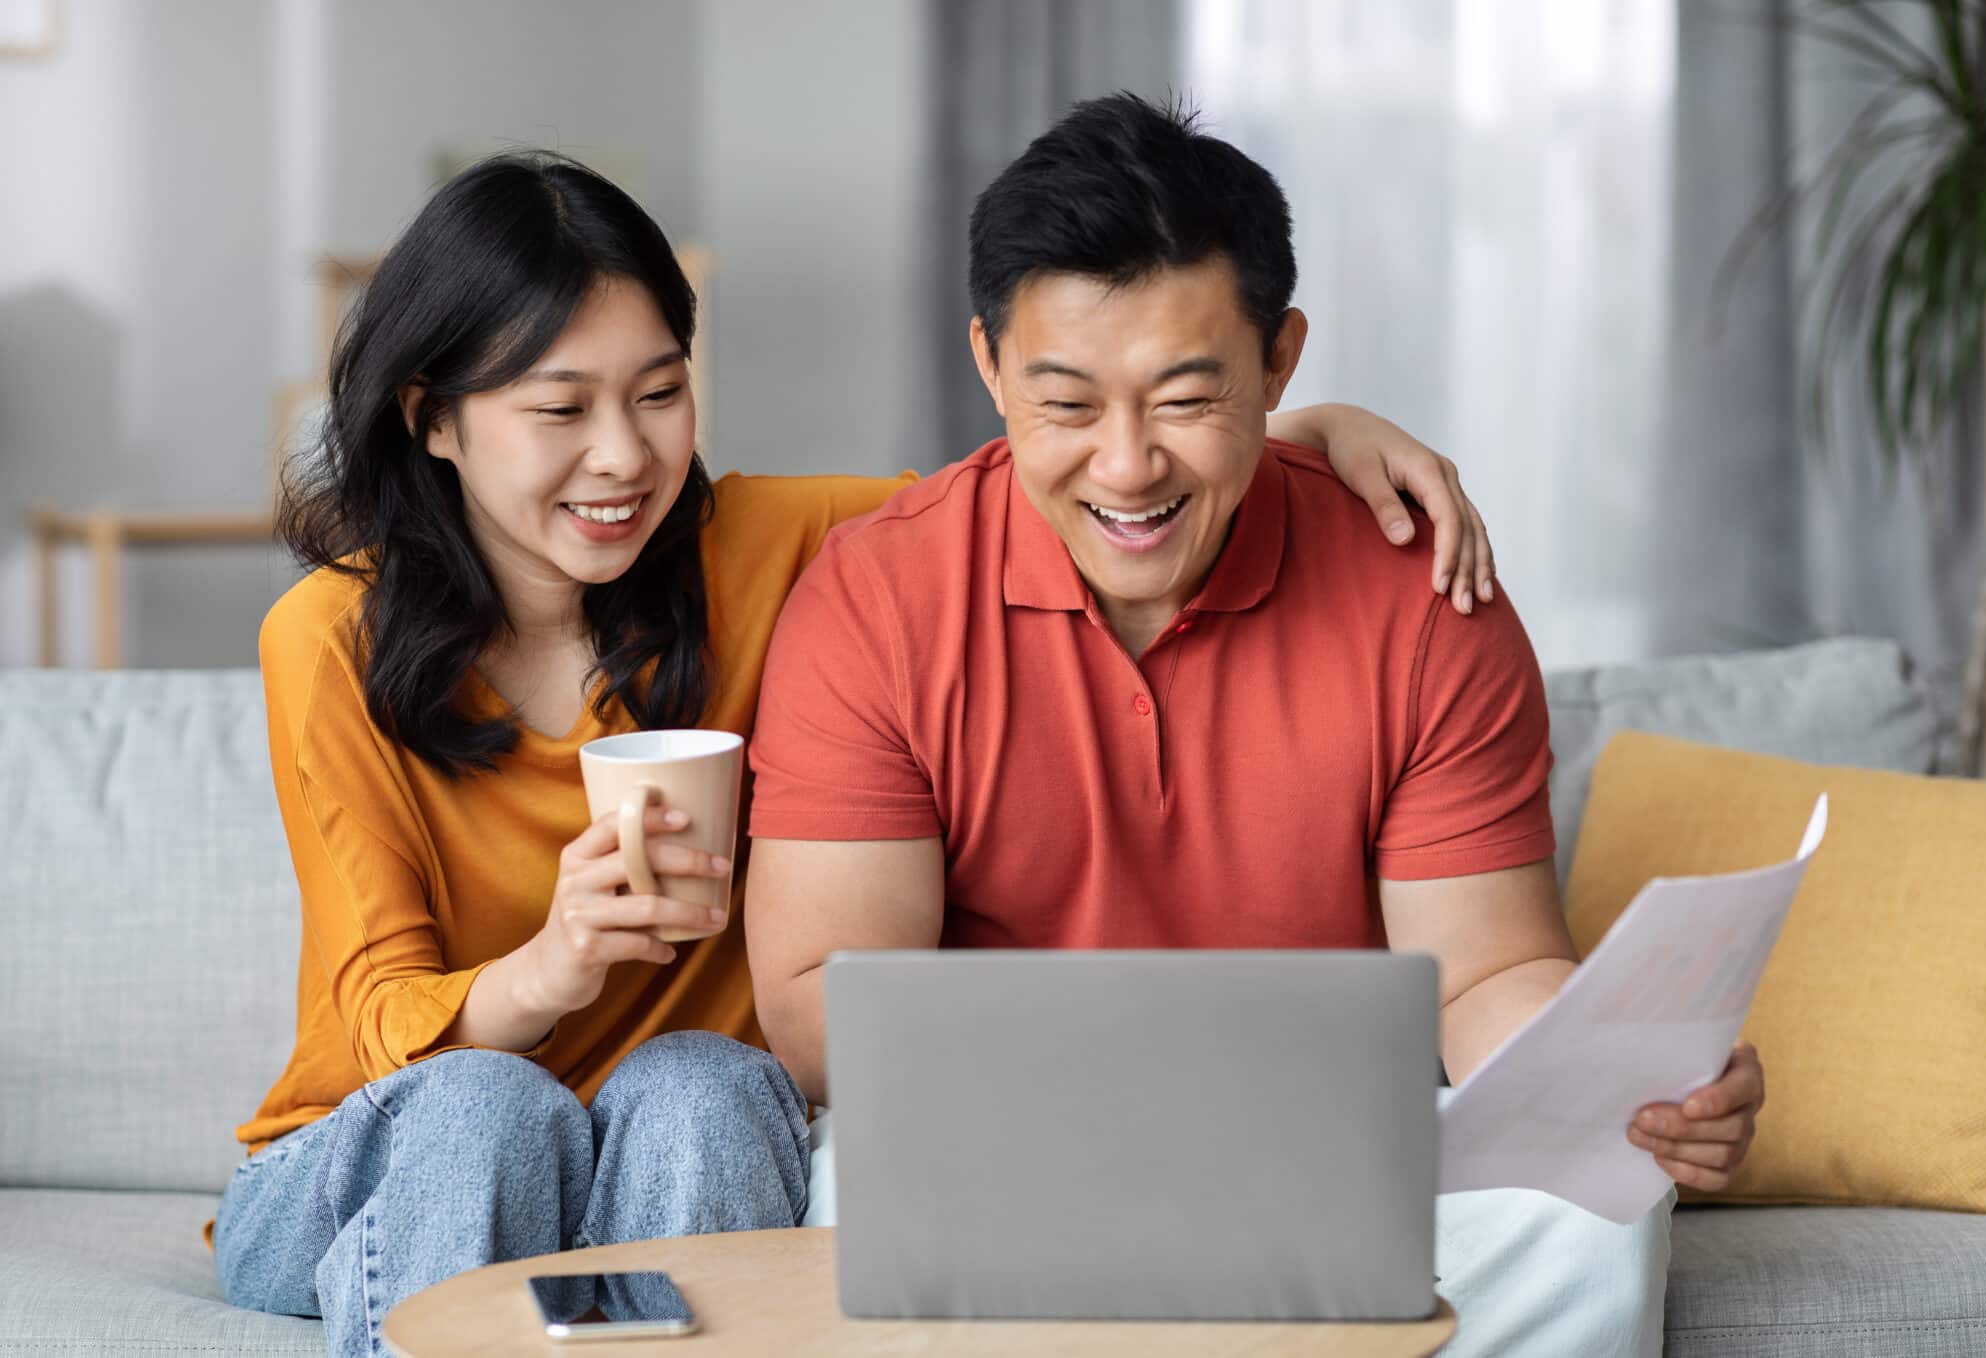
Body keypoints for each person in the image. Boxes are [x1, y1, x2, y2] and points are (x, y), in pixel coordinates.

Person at [209, 150, 1504, 1358]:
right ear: (432, 419)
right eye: (561, 407)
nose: (623, 454)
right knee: (489, 1103)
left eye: (659, 392)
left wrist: (1300, 430)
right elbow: (378, 1016)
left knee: (713, 1080)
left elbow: (1067, 476)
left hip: (655, 1126)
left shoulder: (773, 549)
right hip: (383, 1142)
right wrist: (556, 962)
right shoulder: (328, 637)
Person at [743, 95, 1765, 1357]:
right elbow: (818, 1008)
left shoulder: (1420, 589)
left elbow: (1481, 974)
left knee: (1588, 1214)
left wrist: (1617, 1077)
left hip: (1329, 1148)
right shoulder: (876, 598)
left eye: (1184, 399)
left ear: (1278, 362)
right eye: (1067, 405)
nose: (1127, 467)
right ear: (990, 367)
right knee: (848, 1198)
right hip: (1001, 1140)